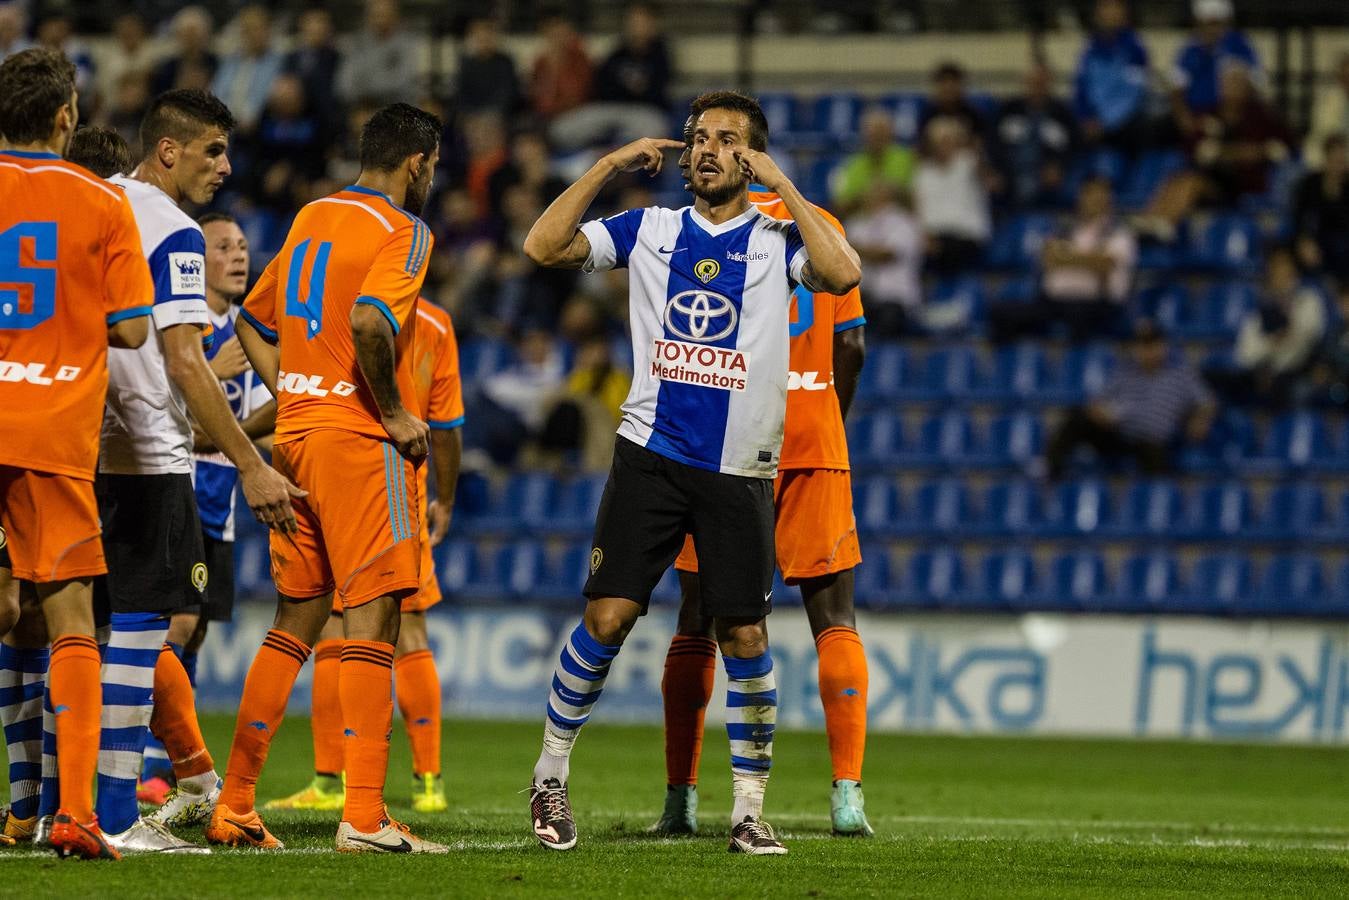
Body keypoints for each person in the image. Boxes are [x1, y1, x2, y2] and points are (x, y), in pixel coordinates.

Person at [521, 89, 860, 855]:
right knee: (607, 619)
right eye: (698, 137)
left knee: (742, 633)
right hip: (651, 455)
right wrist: (608, 164)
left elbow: (841, 273)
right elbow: (543, 247)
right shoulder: (649, 229)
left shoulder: (777, 239)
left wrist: (785, 187)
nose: (706, 149)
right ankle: (548, 778)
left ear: (750, 156)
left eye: (727, 140)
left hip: (741, 468)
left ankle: (747, 810)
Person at [207, 102, 448, 854]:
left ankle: (236, 802)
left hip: (298, 441)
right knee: (373, 621)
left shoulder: (312, 214)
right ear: (417, 163)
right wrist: (398, 413)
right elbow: (376, 325)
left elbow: (252, 319)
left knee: (296, 622)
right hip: (356, 443)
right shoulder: (404, 231)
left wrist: (296, 395)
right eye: (433, 166)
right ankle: (367, 817)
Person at [90, 88, 300, 856]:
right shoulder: (175, 232)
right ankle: (116, 814)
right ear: (168, 149)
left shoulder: (98, 200)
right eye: (212, 149)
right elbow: (184, 360)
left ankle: (45, 805)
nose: (225, 165)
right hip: (148, 453)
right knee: (144, 629)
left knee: (68, 629)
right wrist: (250, 464)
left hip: (78, 449)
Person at [653, 127, 871, 838]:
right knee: (832, 616)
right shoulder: (822, 228)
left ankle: (681, 798)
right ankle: (846, 796)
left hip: (726, 434)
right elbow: (853, 342)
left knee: (697, 618)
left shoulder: (698, 234)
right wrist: (824, 420)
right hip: (811, 435)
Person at [0, 48, 153, 860]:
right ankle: (75, 816)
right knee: (69, 620)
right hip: (54, 431)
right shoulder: (102, 201)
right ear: (66, 117)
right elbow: (132, 328)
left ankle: (24, 808)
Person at [264, 295, 463, 815]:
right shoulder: (437, 324)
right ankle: (427, 783)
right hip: (399, 483)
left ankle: (332, 782)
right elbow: (446, 422)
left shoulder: (330, 314)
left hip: (332, 468)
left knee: (333, 627)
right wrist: (448, 495)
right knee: (404, 629)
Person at [141, 211, 275, 826]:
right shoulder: (189, 330)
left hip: (223, 503)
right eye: (223, 246)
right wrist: (216, 377)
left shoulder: (249, 331)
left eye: (244, 246)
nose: (238, 255)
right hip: (186, 488)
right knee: (174, 619)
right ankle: (149, 760)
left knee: (193, 630)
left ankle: (173, 763)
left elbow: (276, 405)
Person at [1046, 321, 1216, 479]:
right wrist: (1099, 412)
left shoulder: (1181, 375)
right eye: (1142, 345)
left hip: (1154, 440)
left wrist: (1200, 419)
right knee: (1077, 419)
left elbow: (1207, 401)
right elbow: (1099, 401)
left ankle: (1152, 502)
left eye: (1152, 344)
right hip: (1120, 433)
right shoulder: (1125, 371)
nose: (1148, 351)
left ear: (1163, 346)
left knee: (1153, 457)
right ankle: (1051, 471)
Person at [989, 176, 1135, 343]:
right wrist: (1088, 259)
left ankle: (1079, 363)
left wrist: (1065, 258)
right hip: (1053, 301)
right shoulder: (1065, 228)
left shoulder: (1119, 232)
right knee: (1001, 312)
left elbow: (1105, 264)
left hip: (1094, 303)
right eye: (1090, 194)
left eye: (1101, 195)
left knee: (1078, 314)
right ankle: (1019, 362)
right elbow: (1048, 258)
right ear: (1081, 196)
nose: (1095, 200)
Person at [1205, 245, 1326, 408]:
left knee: (1297, 390)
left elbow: (1308, 337)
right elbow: (1246, 354)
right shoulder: (1260, 304)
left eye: (1285, 265)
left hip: (1295, 374)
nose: (1281, 272)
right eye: (1275, 266)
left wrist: (1285, 336)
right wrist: (1271, 344)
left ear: (1295, 269)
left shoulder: (1308, 299)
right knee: (1216, 380)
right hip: (1260, 372)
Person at [550, 4, 671, 151]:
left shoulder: (661, 55)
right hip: (610, 108)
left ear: (653, 24)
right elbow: (601, 86)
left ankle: (621, 159)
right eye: (633, 20)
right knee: (561, 130)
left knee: (655, 131)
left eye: (642, 21)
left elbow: (655, 92)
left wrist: (629, 90)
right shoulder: (617, 52)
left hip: (642, 111)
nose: (636, 26)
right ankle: (590, 159)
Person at [1170, 0, 1262, 137]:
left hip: (1235, 116)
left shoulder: (1240, 45)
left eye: (1217, 23)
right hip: (1199, 115)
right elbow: (1176, 88)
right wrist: (1187, 120)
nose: (1212, 30)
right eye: (1207, 23)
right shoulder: (1190, 48)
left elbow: (1257, 84)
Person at [993, 59, 1077, 208]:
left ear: (1049, 83)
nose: (1037, 86)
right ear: (1025, 82)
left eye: (1041, 82)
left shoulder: (1062, 114)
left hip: (1044, 175)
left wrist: (1058, 166)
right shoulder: (1008, 109)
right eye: (1033, 81)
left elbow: (1074, 146)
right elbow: (993, 141)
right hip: (1010, 172)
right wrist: (995, 170)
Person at [914, 116, 990, 277]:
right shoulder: (923, 172)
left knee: (947, 251)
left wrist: (973, 148)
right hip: (933, 238)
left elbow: (990, 180)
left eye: (948, 141)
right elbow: (918, 209)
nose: (943, 146)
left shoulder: (969, 163)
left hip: (966, 236)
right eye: (938, 141)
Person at [1073, 0, 1150, 154]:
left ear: (1124, 12)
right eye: (1106, 6)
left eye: (1116, 6)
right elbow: (1081, 87)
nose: (1111, 12)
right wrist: (1085, 117)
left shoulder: (1134, 48)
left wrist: (1104, 123)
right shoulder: (1090, 47)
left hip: (1122, 128)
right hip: (1091, 125)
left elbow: (1133, 94)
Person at [845, 184, 923, 337]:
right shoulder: (856, 223)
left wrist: (857, 249)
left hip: (896, 297)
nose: (871, 197)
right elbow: (843, 254)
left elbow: (887, 255)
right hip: (863, 295)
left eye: (877, 193)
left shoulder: (904, 223)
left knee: (888, 320)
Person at [830, 107, 915, 217]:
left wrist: (893, 192)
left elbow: (916, 199)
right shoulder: (852, 164)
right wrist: (864, 196)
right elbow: (840, 206)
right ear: (864, 135)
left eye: (882, 132)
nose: (878, 137)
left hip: (898, 218)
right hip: (863, 219)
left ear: (891, 133)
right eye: (873, 133)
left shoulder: (906, 158)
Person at [210, 6, 283, 134]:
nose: (255, 35)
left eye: (259, 29)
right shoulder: (231, 61)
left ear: (268, 31)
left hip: (258, 125)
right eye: (249, 30)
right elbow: (217, 90)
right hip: (226, 122)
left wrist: (249, 117)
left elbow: (268, 95)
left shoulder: (277, 62)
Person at [336, 0, 422, 108]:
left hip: (399, 113)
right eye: (376, 15)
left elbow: (405, 85)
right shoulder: (355, 44)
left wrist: (366, 88)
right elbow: (344, 87)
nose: (380, 20)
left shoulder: (410, 44)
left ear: (396, 17)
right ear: (367, 17)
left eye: (385, 15)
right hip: (364, 112)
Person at [1291, 135, 1349, 294]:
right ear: (1326, 157)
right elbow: (1299, 216)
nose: (1339, 164)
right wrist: (1304, 240)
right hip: (1316, 242)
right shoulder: (1310, 184)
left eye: (1342, 159)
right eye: (1335, 158)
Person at [530, 12, 593, 122]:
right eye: (552, 30)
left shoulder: (579, 57)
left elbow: (577, 96)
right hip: (547, 117)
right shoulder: (541, 62)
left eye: (560, 28)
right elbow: (539, 101)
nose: (557, 34)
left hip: (578, 115)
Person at [455, 15, 520, 117]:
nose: (484, 40)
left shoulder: (505, 63)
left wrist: (491, 113)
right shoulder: (467, 64)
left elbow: (508, 94)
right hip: (473, 117)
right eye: (479, 36)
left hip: (498, 116)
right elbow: (461, 96)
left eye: (487, 36)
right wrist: (473, 114)